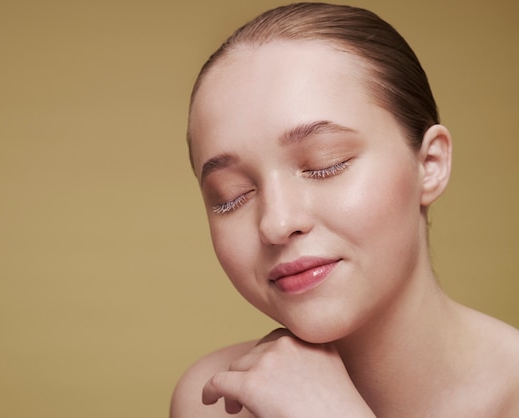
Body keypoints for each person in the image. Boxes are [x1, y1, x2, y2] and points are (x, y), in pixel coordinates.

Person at [170, 2, 519, 417]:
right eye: (232, 195)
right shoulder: (212, 402)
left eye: (325, 163)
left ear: (429, 166)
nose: (277, 223)